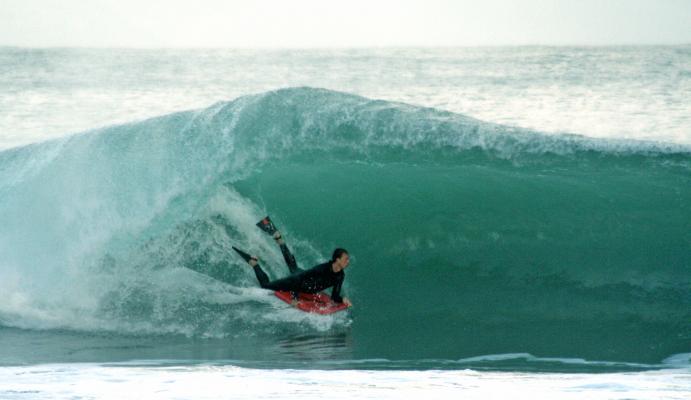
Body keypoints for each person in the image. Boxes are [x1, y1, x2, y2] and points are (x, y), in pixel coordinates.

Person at [245, 230, 352, 307]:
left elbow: (334, 296)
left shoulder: (340, 275)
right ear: (337, 260)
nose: (348, 262)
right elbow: (299, 279)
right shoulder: (322, 269)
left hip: (305, 283)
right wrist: (294, 297)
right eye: (346, 259)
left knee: (294, 267)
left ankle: (280, 241)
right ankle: (254, 263)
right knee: (265, 286)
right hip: (297, 281)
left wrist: (343, 299)